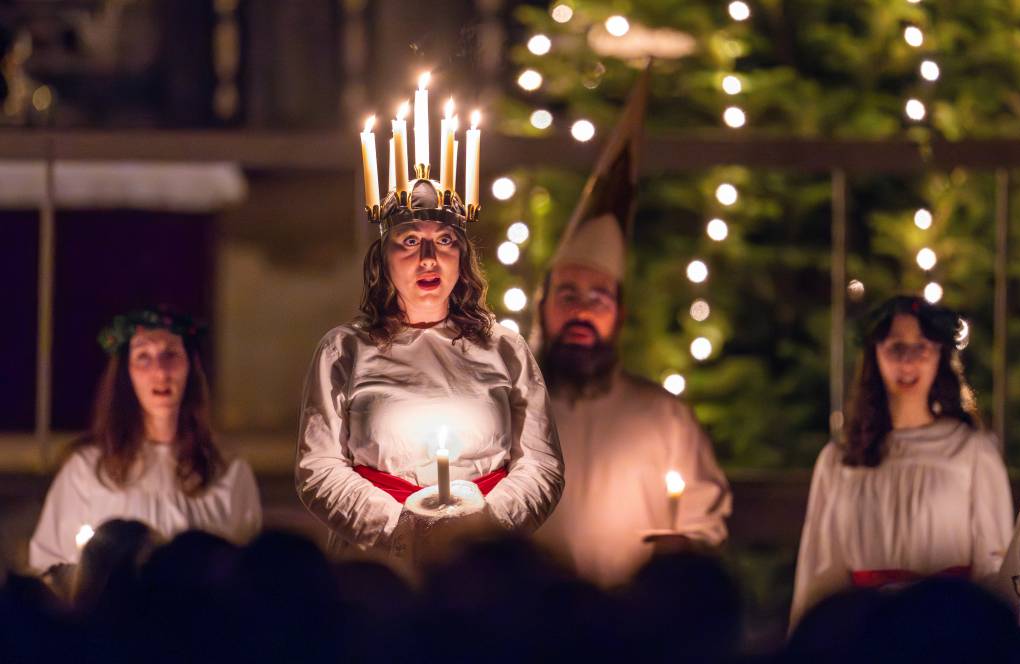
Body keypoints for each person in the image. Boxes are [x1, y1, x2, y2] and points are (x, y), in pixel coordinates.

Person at [295, 135, 564, 563]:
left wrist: (484, 528)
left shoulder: (505, 349)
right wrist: (401, 526)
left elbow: (541, 464)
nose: (428, 258)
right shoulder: (344, 350)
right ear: (383, 258)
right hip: (378, 558)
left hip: (481, 559)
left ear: (462, 256)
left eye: (443, 240)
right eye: (409, 241)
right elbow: (318, 469)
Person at [532, 68, 731, 587]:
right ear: (543, 306)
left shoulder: (665, 418)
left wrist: (683, 548)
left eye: (598, 299)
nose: (581, 312)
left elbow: (705, 524)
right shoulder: (506, 408)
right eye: (568, 296)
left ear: (618, 315)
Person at [790, 296, 1014, 628]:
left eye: (921, 348)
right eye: (896, 348)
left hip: (947, 631)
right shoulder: (840, 460)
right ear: (875, 355)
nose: (908, 363)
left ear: (938, 355)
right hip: (866, 633)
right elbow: (820, 570)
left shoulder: (971, 453)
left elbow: (994, 567)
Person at [29, 308, 262, 573]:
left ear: (190, 367)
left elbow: (247, 570)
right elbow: (50, 564)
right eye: (143, 357)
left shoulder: (226, 470)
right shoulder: (87, 471)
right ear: (126, 374)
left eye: (170, 354)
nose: (160, 371)